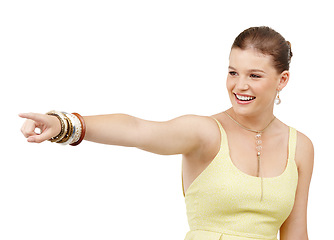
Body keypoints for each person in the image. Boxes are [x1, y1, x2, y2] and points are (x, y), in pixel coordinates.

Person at [19, 26, 314, 240]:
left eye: (254, 75)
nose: (239, 85)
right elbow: (138, 130)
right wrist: (65, 124)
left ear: (282, 80)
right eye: (233, 72)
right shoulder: (206, 132)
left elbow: (296, 233)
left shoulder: (300, 146)